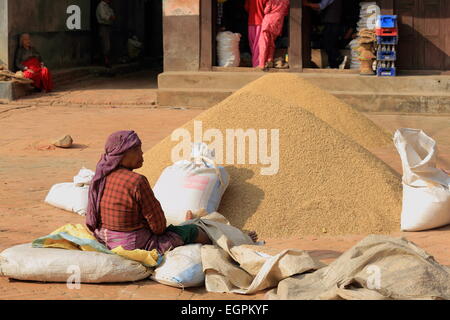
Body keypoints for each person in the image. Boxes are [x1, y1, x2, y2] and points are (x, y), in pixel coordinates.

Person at [86, 130, 257, 255]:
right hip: (134, 244)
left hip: (105, 237)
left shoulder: (101, 177)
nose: (142, 153)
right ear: (122, 155)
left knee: (185, 226)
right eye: (137, 149)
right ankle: (235, 243)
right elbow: (159, 226)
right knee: (191, 231)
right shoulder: (136, 181)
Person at [304, 0, 345, 69]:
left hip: (331, 23)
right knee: (330, 44)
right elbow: (319, 8)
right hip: (333, 22)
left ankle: (337, 59)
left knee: (328, 44)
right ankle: (333, 64)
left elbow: (321, 6)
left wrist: (307, 4)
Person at [258, 0, 290, 71]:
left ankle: (262, 64)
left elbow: (266, 11)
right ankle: (269, 61)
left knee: (264, 43)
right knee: (272, 43)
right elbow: (286, 13)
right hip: (278, 23)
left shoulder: (272, 0)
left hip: (268, 22)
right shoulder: (287, 1)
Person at [245, 0, 267, 68]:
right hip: (260, 22)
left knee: (252, 43)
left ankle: (255, 62)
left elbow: (246, 8)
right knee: (258, 45)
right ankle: (257, 64)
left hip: (251, 23)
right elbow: (266, 9)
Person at [96, 0, 116, 68]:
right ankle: (105, 61)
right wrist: (110, 17)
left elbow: (112, 13)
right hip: (103, 25)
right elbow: (103, 16)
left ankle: (107, 60)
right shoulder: (101, 5)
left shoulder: (107, 6)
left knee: (108, 43)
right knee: (105, 43)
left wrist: (111, 16)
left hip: (108, 25)